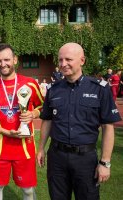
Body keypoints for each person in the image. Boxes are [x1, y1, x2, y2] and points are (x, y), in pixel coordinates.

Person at [37, 43, 122, 200]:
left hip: (85, 159)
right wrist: (41, 148)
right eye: (60, 60)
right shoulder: (53, 89)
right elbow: (47, 121)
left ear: (82, 60)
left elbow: (108, 127)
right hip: (57, 158)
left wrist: (105, 162)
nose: (63, 64)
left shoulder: (99, 89)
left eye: (68, 59)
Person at [0, 43, 44, 200]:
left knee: (27, 190)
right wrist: (5, 132)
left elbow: (43, 107)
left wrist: (33, 113)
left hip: (24, 147)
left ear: (15, 59)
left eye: (6, 59)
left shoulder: (30, 84)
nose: (3, 64)